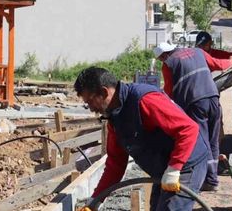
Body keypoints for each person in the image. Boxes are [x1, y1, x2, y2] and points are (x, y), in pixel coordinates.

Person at [74, 67, 209, 211]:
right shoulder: (115, 119)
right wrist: (96, 200)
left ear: (104, 92)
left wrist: (175, 168)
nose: (90, 108)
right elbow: (115, 164)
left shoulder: (144, 100)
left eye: (90, 101)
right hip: (164, 169)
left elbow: (188, 129)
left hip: (186, 163)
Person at [153, 42, 232, 192]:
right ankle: (213, 179)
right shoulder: (198, 52)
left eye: (161, 59)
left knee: (203, 142)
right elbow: (218, 64)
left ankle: (210, 180)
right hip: (213, 99)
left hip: (194, 104)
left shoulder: (168, 64)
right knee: (213, 141)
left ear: (163, 55)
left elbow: (168, 92)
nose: (162, 61)